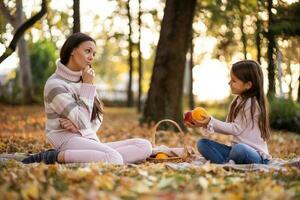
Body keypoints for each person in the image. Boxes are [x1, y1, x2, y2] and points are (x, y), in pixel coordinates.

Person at [22, 32, 152, 164]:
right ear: (72, 50)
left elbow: (97, 118)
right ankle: (53, 156)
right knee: (113, 158)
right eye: (88, 51)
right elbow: (82, 121)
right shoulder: (55, 85)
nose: (91, 57)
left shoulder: (84, 80)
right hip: (67, 140)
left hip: (88, 138)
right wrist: (87, 86)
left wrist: (78, 126)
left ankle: (96, 156)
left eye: (94, 54)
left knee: (144, 146)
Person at [185, 60, 271, 164]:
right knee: (202, 144)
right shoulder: (238, 102)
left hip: (255, 156)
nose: (229, 83)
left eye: (234, 81)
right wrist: (204, 124)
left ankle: (226, 162)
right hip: (235, 152)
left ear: (248, 85)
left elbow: (235, 129)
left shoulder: (252, 104)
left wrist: (210, 121)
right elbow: (227, 127)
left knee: (239, 149)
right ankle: (227, 162)